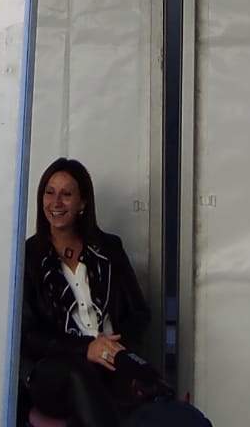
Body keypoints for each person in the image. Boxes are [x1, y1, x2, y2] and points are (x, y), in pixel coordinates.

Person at [20, 157, 166, 427]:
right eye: (49, 193)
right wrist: (86, 348)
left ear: (83, 203)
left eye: (66, 194)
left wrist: (113, 346)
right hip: (55, 368)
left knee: (156, 390)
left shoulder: (109, 248)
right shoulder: (28, 256)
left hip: (109, 358)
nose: (56, 203)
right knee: (80, 373)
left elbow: (139, 313)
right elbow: (29, 335)